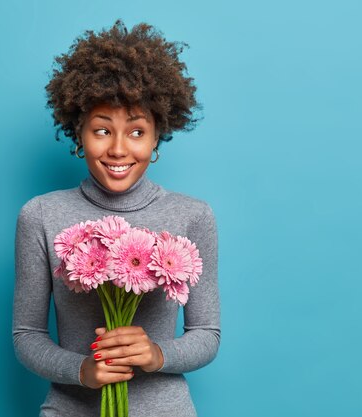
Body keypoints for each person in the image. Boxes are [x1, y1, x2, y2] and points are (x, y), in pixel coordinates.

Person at [12, 19, 220, 417]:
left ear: (158, 133)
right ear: (79, 133)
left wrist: (156, 354)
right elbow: (27, 336)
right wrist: (82, 371)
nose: (119, 150)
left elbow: (207, 335)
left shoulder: (194, 216)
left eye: (137, 132)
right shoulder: (40, 215)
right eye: (102, 130)